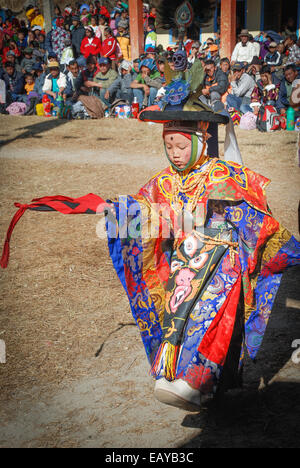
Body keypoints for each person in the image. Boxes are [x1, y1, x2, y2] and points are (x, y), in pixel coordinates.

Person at [1, 58, 299, 413]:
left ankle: (197, 378)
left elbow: (243, 219)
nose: (174, 153)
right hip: (183, 265)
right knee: (177, 309)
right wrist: (115, 212)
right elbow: (144, 210)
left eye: (181, 146)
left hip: (223, 266)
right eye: (168, 145)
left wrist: (191, 224)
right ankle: (177, 374)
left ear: (202, 140)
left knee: (207, 304)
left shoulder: (226, 174)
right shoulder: (163, 180)